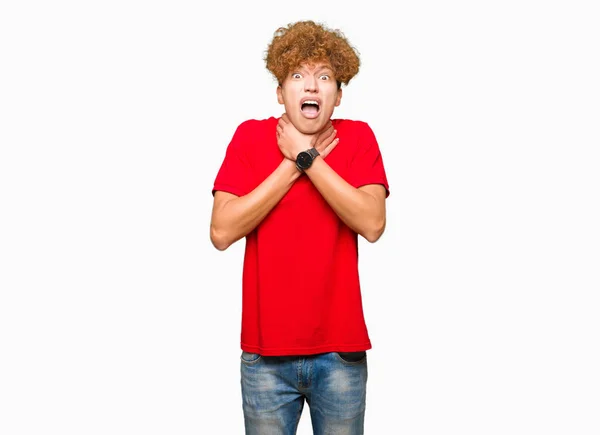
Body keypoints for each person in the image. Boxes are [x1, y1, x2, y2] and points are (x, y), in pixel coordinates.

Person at [210, 20, 390, 435]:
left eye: (324, 77)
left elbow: (372, 222)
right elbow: (221, 232)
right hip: (265, 357)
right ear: (280, 92)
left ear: (338, 95)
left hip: (340, 354)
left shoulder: (359, 138)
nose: (311, 87)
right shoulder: (250, 137)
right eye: (298, 76)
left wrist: (312, 159)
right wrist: (293, 164)